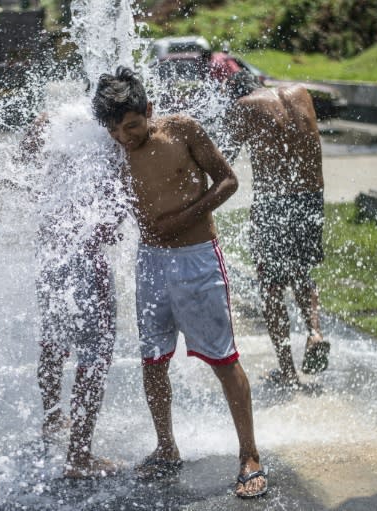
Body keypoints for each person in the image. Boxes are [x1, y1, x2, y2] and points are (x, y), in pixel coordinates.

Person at [92, 66, 267, 499]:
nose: (124, 137)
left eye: (132, 126)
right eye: (115, 130)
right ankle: (166, 447)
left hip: (196, 259)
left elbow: (228, 180)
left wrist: (182, 219)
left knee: (224, 359)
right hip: (150, 263)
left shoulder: (183, 130)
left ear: (149, 110)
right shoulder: (113, 146)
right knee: (153, 359)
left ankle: (249, 455)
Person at [19, 109, 126, 479]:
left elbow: (22, 163)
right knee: (96, 353)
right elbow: (117, 204)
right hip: (84, 257)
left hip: (48, 253)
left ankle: (52, 419)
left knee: (52, 340)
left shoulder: (55, 120)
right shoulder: (108, 132)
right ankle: (79, 457)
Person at [221, 70, 330, 387]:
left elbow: (222, 159)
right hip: (312, 197)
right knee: (301, 269)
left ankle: (288, 372)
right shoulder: (299, 92)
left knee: (270, 286)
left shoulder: (243, 106)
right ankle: (314, 332)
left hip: (274, 204)